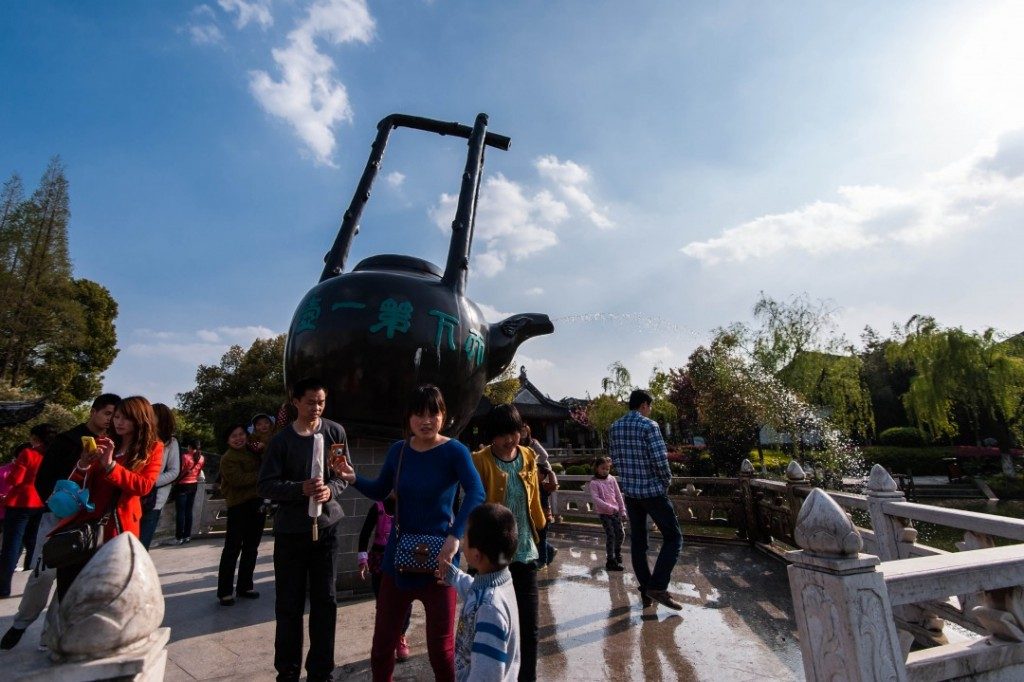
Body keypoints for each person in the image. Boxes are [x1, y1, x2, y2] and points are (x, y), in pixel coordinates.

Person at [336, 384, 485, 682]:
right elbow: (380, 489)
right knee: (381, 648)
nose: (426, 420)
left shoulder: (455, 450)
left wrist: (455, 537)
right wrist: (354, 478)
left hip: (442, 561)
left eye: (434, 413)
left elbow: (476, 493)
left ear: (444, 416)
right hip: (397, 559)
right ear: (408, 418)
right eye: (419, 414)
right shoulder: (399, 451)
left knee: (440, 651)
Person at [0, 393, 119, 650]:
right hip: (58, 518)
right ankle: (22, 622)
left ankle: (49, 635)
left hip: (90, 522)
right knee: (44, 574)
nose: (112, 420)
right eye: (108, 413)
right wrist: (59, 500)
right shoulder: (67, 440)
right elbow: (44, 480)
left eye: (117, 415)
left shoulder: (113, 445)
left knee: (71, 580)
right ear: (93, 411)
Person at [258, 378, 349, 682]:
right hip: (291, 532)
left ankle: (322, 671)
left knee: (325, 600)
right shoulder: (281, 441)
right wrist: (300, 489)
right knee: (289, 604)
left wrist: (330, 490)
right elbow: (266, 484)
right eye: (310, 401)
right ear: (295, 401)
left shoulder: (334, 432)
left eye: (321, 402)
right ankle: (287, 671)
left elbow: (342, 475)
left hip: (327, 529)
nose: (316, 408)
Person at [54, 395, 164, 599]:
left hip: (117, 527)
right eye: (116, 417)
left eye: (126, 418)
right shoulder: (103, 442)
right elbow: (78, 484)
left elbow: (144, 486)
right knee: (70, 591)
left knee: (107, 593)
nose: (118, 422)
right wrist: (83, 465)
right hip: (84, 525)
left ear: (140, 419)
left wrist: (111, 465)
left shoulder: (152, 448)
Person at [472, 405, 546, 682]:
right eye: (502, 434)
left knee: (530, 628)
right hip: (494, 556)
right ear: (492, 436)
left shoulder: (528, 455)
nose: (509, 440)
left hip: (525, 550)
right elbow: (473, 502)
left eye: (513, 432)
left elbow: (534, 494)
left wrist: (541, 523)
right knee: (492, 627)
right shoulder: (479, 460)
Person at [608, 389, 683, 611]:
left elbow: (616, 459)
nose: (650, 410)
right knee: (674, 538)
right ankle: (658, 586)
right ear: (643, 405)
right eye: (649, 406)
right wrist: (666, 481)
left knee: (639, 543)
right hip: (652, 492)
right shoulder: (649, 426)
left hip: (631, 494)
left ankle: (645, 591)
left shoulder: (614, 428)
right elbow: (660, 459)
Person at [441, 503, 521, 682]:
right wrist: (453, 576)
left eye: (465, 538)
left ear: (476, 555)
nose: (462, 541)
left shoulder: (490, 609)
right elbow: (474, 590)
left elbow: (486, 675)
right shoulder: (499, 582)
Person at [0, 424, 56, 596]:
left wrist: (13, 470)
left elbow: (16, 479)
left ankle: (3, 587)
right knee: (33, 543)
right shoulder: (52, 455)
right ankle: (30, 579)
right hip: (40, 502)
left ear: (35, 438)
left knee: (11, 545)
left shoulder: (28, 453)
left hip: (20, 502)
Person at [357, 494, 412, 662]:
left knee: (405, 600)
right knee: (382, 602)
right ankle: (386, 637)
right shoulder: (378, 508)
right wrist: (362, 560)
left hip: (401, 559)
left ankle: (400, 636)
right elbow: (365, 534)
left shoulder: (407, 507)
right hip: (379, 560)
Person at [217, 423, 266, 606]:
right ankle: (225, 591)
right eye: (233, 436)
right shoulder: (227, 458)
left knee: (251, 547)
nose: (238, 438)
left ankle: (245, 586)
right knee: (232, 548)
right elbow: (238, 480)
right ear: (228, 440)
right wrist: (262, 474)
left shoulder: (253, 452)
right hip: (238, 506)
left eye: (241, 434)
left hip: (257, 504)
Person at [139, 403, 181, 549]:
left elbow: (174, 472)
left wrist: (149, 481)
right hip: (133, 495)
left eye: (152, 415)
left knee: (142, 544)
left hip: (153, 499)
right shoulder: (140, 438)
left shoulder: (170, 442)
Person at [520, 424, 558, 568]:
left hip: (534, 478)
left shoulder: (532, 443)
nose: (522, 433)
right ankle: (548, 550)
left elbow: (545, 456)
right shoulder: (515, 444)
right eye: (520, 431)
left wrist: (531, 462)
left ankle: (543, 557)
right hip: (524, 479)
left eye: (524, 431)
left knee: (537, 528)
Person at [587, 456, 626, 571]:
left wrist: (622, 510)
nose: (605, 471)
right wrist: (609, 507)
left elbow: (618, 496)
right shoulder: (594, 482)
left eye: (607, 469)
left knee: (621, 533)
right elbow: (596, 499)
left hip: (616, 512)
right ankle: (610, 560)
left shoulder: (612, 479)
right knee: (611, 535)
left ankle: (616, 552)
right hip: (604, 513)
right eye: (603, 468)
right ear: (597, 468)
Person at [174, 439, 205, 544]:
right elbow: (199, 472)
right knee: (189, 511)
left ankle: (179, 537)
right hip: (194, 485)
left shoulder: (185, 457)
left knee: (180, 512)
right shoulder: (201, 458)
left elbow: (179, 471)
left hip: (183, 485)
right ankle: (187, 535)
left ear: (190, 447)